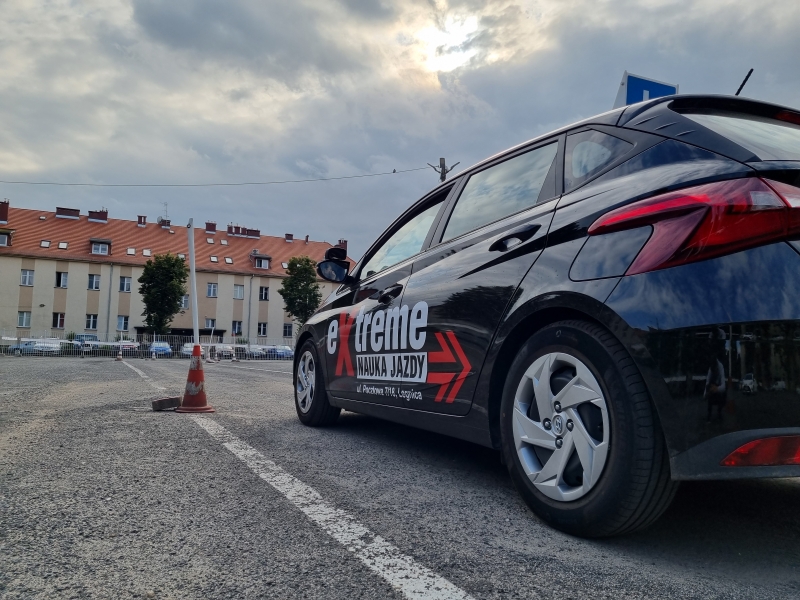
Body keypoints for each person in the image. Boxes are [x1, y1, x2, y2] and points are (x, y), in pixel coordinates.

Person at [705, 353, 727, 421]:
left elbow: (723, 386)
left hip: (718, 387)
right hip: (712, 386)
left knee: (724, 394)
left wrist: (717, 388)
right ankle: (709, 414)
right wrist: (705, 394)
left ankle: (719, 412)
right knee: (709, 388)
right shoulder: (710, 369)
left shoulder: (721, 367)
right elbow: (707, 381)